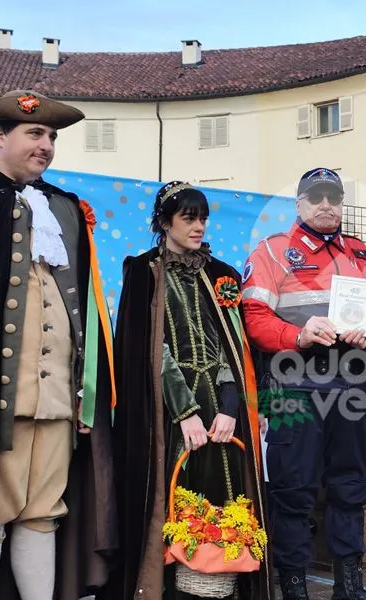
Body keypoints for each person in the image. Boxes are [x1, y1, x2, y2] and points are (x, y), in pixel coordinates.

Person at [105, 182, 270, 599]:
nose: (198, 227)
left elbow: (234, 349)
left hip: (220, 405)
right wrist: (185, 412)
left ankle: (221, 583)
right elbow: (149, 349)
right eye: (188, 218)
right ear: (164, 222)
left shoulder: (220, 275)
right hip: (166, 409)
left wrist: (230, 407)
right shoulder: (144, 271)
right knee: (174, 496)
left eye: (203, 218)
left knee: (226, 496)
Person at [242, 168, 366, 600]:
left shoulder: (362, 255)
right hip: (293, 393)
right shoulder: (272, 251)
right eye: (316, 197)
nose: (325, 204)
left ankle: (351, 585)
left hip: (352, 395)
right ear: (299, 205)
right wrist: (298, 334)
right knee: (293, 494)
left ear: (342, 203)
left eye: (333, 197)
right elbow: (253, 320)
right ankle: (294, 588)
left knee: (351, 490)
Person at [0, 90, 116, 600]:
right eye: (34, 133)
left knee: (42, 514)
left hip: (55, 401)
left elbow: (86, 306)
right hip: (4, 395)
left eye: (51, 137)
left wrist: (86, 392)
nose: (46, 145)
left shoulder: (64, 209)